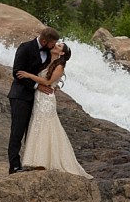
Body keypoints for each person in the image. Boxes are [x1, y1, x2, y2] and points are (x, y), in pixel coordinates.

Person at [16, 42, 93, 179]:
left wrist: (28, 75)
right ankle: (36, 160)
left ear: (61, 53)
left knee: (47, 126)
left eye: (58, 46)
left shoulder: (59, 66)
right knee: (37, 125)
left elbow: (47, 82)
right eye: (56, 44)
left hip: (46, 99)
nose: (55, 46)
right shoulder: (47, 60)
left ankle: (45, 160)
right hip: (39, 97)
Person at [8, 27, 59, 174]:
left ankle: (31, 161)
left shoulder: (49, 53)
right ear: (44, 41)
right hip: (20, 96)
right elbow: (16, 73)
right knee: (17, 131)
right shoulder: (25, 48)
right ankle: (14, 166)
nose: (54, 46)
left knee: (32, 132)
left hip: (38, 100)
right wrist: (37, 86)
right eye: (52, 43)